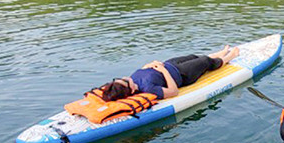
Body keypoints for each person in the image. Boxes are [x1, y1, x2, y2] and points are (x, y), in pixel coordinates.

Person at [97, 44, 241, 102]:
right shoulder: (148, 89)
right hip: (182, 75)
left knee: (193, 56)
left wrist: (150, 65)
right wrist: (163, 70)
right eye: (125, 81)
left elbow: (143, 71)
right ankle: (229, 57)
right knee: (204, 61)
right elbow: (173, 91)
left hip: (169, 64)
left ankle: (219, 53)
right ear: (131, 89)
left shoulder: (131, 81)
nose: (125, 77)